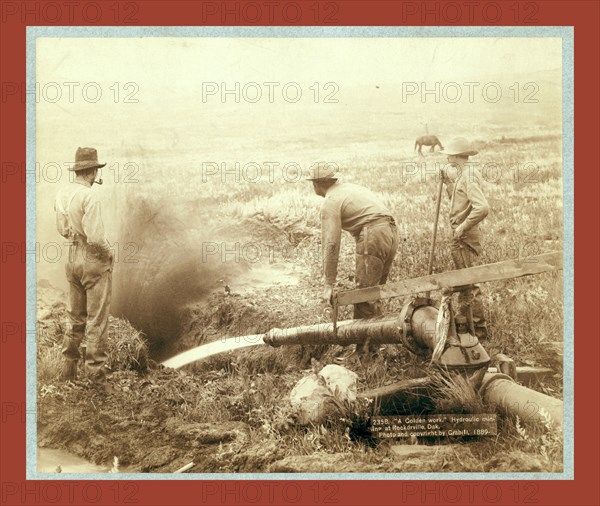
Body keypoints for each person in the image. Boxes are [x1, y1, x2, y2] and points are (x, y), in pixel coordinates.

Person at [307, 165, 398, 359]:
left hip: (373, 234)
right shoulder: (351, 188)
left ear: (317, 184)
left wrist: (328, 284)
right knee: (374, 292)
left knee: (364, 294)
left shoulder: (330, 201)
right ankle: (374, 346)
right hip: (391, 232)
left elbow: (331, 243)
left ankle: (364, 354)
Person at [55, 147, 113, 381]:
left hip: (72, 257)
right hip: (92, 259)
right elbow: (96, 238)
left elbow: (62, 229)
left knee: (75, 317)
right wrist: (108, 254)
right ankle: (96, 376)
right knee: (97, 318)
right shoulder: (91, 196)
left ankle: (69, 371)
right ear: (91, 172)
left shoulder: (62, 193)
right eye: (96, 171)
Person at [440, 138, 490, 338]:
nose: (447, 158)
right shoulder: (465, 174)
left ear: (456, 156)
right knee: (466, 280)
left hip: (465, 237)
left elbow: (482, 207)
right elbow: (461, 200)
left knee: (470, 282)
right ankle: (468, 325)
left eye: (449, 154)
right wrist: (448, 185)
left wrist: (461, 227)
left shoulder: (468, 175)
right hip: (463, 235)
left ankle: (476, 329)